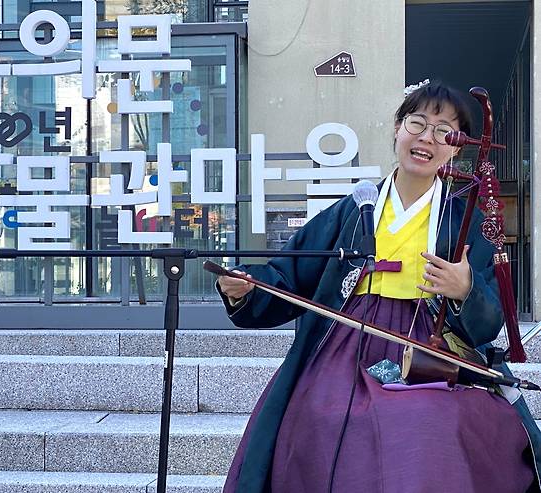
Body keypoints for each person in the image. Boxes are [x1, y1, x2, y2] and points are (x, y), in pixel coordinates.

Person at [217, 80, 541, 493]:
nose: (427, 138)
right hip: (344, 344)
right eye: (417, 123)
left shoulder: (466, 221)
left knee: (437, 422)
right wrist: (249, 287)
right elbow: (288, 276)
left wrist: (464, 290)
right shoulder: (355, 209)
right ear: (397, 128)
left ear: (457, 147)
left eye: (444, 132)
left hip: (432, 349)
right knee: (323, 416)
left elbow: (489, 321)